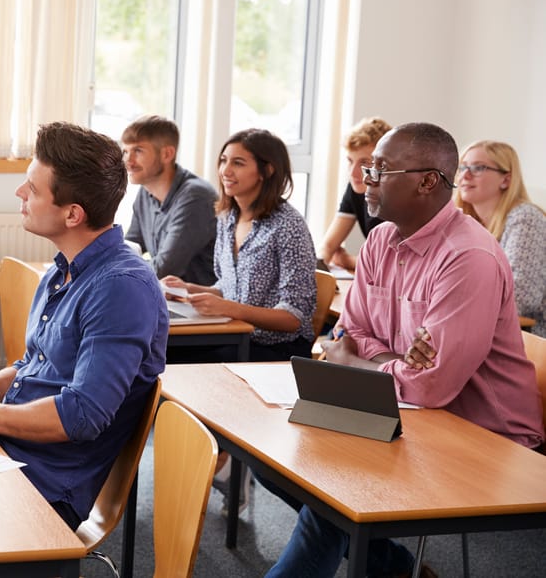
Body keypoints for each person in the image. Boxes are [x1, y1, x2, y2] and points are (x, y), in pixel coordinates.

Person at [268, 123, 545, 578]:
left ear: (427, 181)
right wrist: (386, 360)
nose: (366, 178)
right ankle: (393, 565)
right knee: (278, 462)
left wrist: (362, 360)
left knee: (336, 485)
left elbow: (431, 384)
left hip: (484, 434)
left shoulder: (468, 257)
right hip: (407, 408)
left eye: (380, 168)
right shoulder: (379, 239)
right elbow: (351, 331)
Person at [0, 122, 167, 529]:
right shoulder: (61, 272)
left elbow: (82, 415)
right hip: (5, 450)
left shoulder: (121, 289)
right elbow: (32, 369)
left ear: (73, 214)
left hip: (44, 485)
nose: (19, 193)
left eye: (33, 188)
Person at [163, 128, 317, 362]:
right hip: (236, 338)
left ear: (267, 170)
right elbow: (229, 288)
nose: (225, 170)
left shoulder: (288, 226)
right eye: (223, 161)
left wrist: (228, 308)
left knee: (167, 357)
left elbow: (293, 317)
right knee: (155, 350)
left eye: (238, 163)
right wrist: (189, 289)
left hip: (275, 350)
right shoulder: (228, 218)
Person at [455, 140, 546, 337]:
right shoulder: (466, 224)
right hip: (487, 328)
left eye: (478, 168)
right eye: (462, 167)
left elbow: (521, 298)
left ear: (506, 179)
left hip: (530, 338)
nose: (465, 175)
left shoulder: (525, 218)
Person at [121, 115, 217, 283]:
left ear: (167, 154)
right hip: (167, 299)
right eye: (126, 151)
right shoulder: (145, 191)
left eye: (138, 151)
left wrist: (116, 271)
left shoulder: (196, 197)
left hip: (192, 305)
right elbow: (130, 247)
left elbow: (164, 269)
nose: (128, 161)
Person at [318, 116, 391, 271]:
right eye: (350, 161)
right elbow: (328, 246)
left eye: (364, 162)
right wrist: (318, 265)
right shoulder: (355, 188)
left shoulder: (397, 198)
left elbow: (389, 262)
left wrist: (349, 261)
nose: (353, 172)